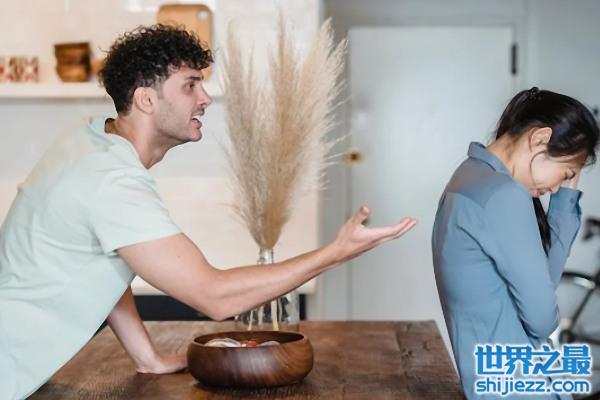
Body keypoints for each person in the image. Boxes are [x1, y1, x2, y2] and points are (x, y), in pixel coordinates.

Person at [0, 25, 417, 400]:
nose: (205, 98)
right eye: (190, 86)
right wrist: (336, 253)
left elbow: (109, 260)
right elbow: (214, 297)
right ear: (146, 99)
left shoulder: (90, 140)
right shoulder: (112, 180)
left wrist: (148, 357)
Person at [432, 87, 600, 399]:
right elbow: (541, 319)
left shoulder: (468, 177)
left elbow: (540, 286)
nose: (557, 187)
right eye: (566, 173)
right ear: (540, 139)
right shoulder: (503, 196)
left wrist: (564, 198)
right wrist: (564, 206)